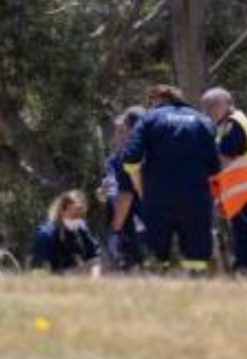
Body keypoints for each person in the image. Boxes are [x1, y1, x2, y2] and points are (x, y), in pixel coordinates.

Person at [119, 84, 220, 274]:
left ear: (154, 100)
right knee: (196, 254)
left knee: (157, 252)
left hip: (159, 195)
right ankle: (196, 290)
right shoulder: (203, 121)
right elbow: (215, 165)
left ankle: (160, 286)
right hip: (196, 195)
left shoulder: (149, 119)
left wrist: (140, 187)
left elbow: (131, 157)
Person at [201, 87, 247, 274]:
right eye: (205, 106)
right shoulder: (225, 127)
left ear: (228, 104)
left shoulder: (233, 123)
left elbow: (225, 157)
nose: (208, 110)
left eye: (213, 105)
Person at [102, 106, 147, 270]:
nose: (118, 136)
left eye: (122, 131)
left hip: (139, 226)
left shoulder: (133, 156)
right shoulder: (112, 161)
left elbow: (126, 195)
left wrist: (115, 230)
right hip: (125, 226)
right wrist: (101, 194)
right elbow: (108, 191)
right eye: (117, 132)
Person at [31, 190, 100, 273]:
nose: (78, 219)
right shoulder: (45, 235)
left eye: (82, 215)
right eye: (74, 214)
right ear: (62, 211)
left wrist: (94, 278)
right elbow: (40, 271)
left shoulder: (81, 229)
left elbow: (94, 258)